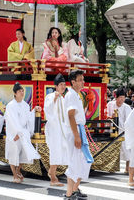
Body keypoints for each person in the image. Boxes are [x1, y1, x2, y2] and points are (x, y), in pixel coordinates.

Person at [5, 82, 41, 183]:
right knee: (13, 154)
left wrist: (34, 110)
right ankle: (14, 175)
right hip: (14, 133)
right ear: (15, 93)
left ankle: (18, 170)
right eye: (20, 91)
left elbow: (28, 118)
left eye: (22, 91)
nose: (22, 93)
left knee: (23, 154)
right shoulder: (10, 106)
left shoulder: (25, 105)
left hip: (23, 133)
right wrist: (16, 133)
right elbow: (12, 121)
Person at [63, 70, 91, 200]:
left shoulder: (76, 94)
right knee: (75, 162)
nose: (83, 82)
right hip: (75, 131)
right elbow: (71, 116)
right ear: (73, 82)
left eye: (83, 79)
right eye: (80, 79)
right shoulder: (72, 95)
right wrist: (77, 136)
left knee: (82, 161)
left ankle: (74, 189)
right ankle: (69, 193)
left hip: (79, 129)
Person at [44, 74, 69, 186]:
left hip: (62, 129)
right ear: (56, 86)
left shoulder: (63, 98)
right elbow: (47, 109)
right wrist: (54, 99)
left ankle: (51, 172)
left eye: (64, 84)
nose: (63, 87)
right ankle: (53, 178)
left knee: (62, 151)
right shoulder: (50, 96)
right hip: (54, 129)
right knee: (55, 152)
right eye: (61, 85)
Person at [107, 88, 132, 173]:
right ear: (116, 97)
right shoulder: (110, 104)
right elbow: (106, 115)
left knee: (127, 149)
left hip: (123, 130)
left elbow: (129, 121)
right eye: (120, 97)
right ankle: (112, 167)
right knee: (112, 149)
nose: (122, 99)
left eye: (123, 97)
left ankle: (127, 168)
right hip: (112, 129)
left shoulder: (127, 107)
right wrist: (111, 116)